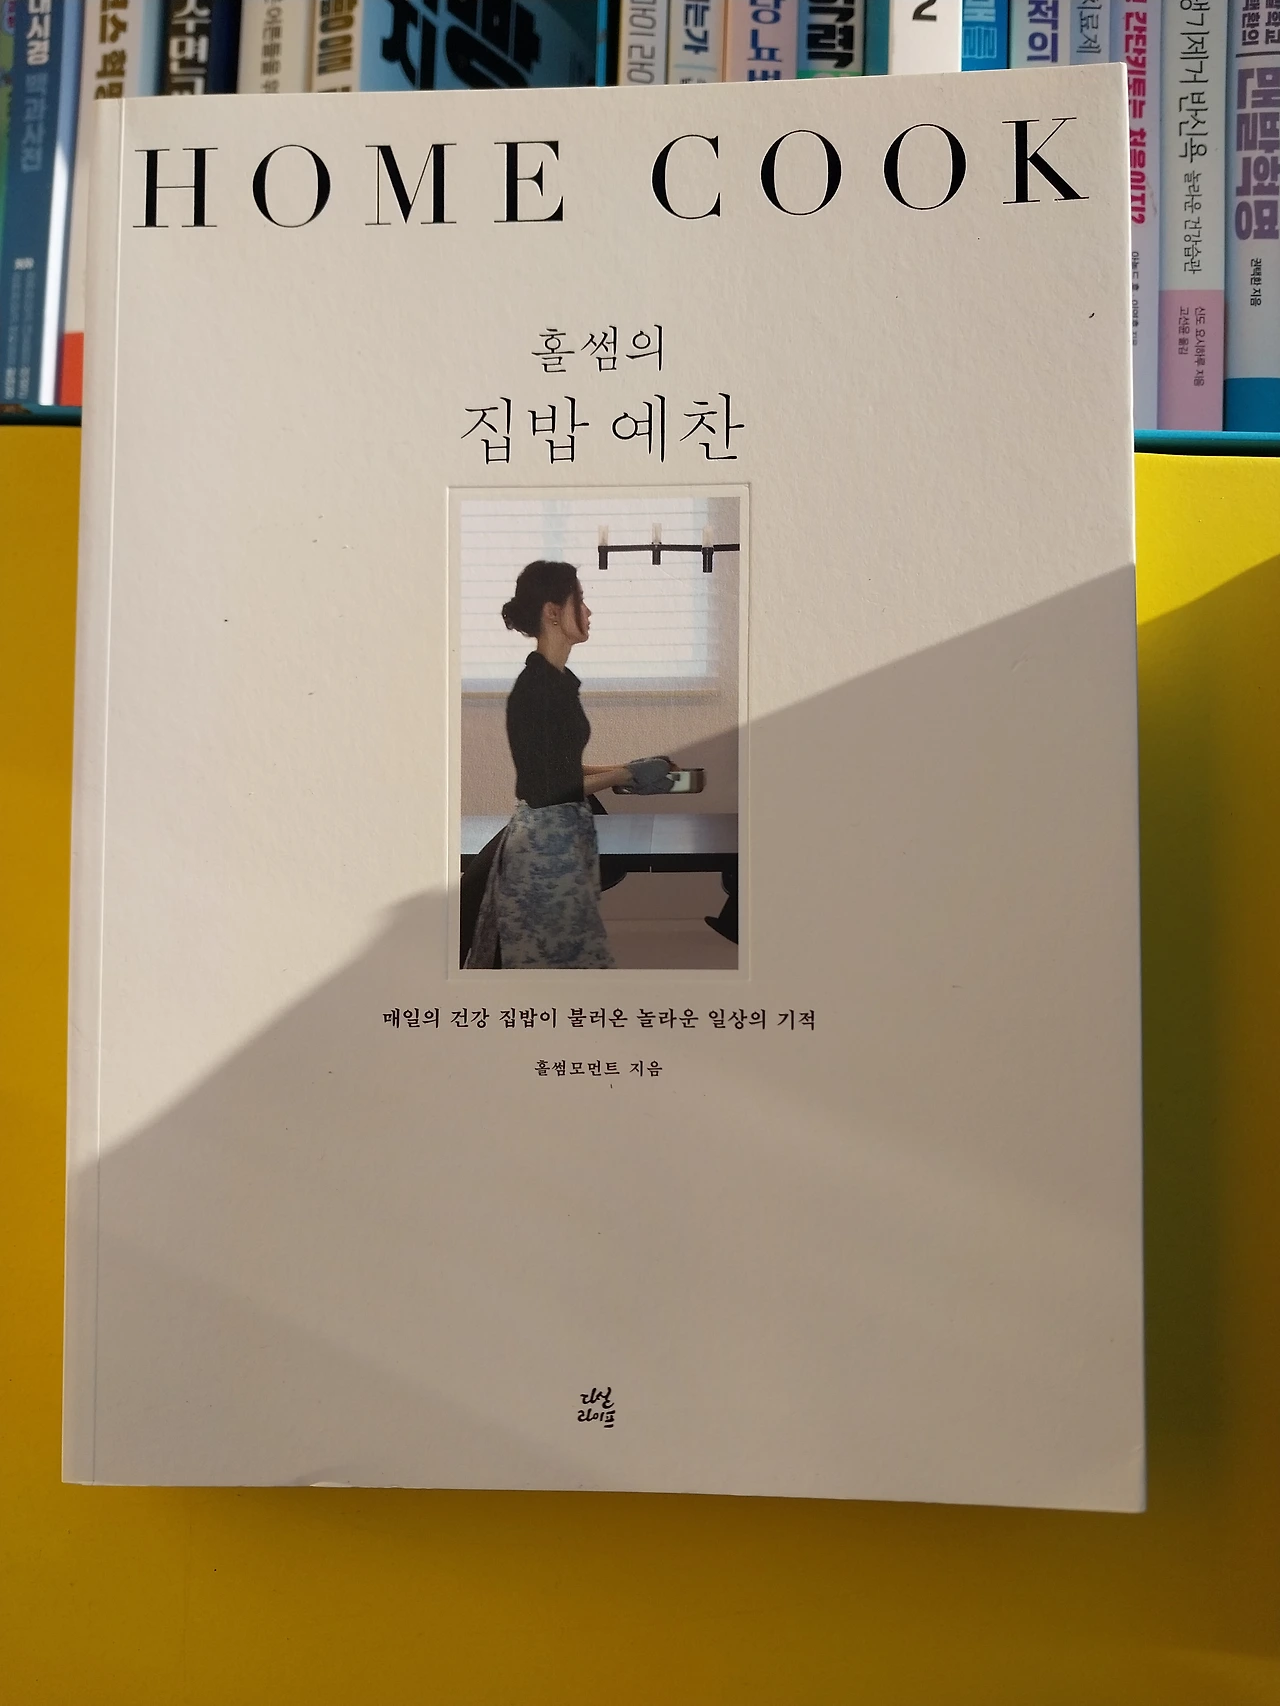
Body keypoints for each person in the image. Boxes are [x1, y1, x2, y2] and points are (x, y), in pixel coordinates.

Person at [465, 560, 674, 969]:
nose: (589, 611)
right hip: (543, 853)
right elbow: (547, 788)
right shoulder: (537, 690)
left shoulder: (556, 683)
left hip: (559, 843)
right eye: (580, 600)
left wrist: (626, 769)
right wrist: (627, 774)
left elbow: (562, 767)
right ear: (553, 612)